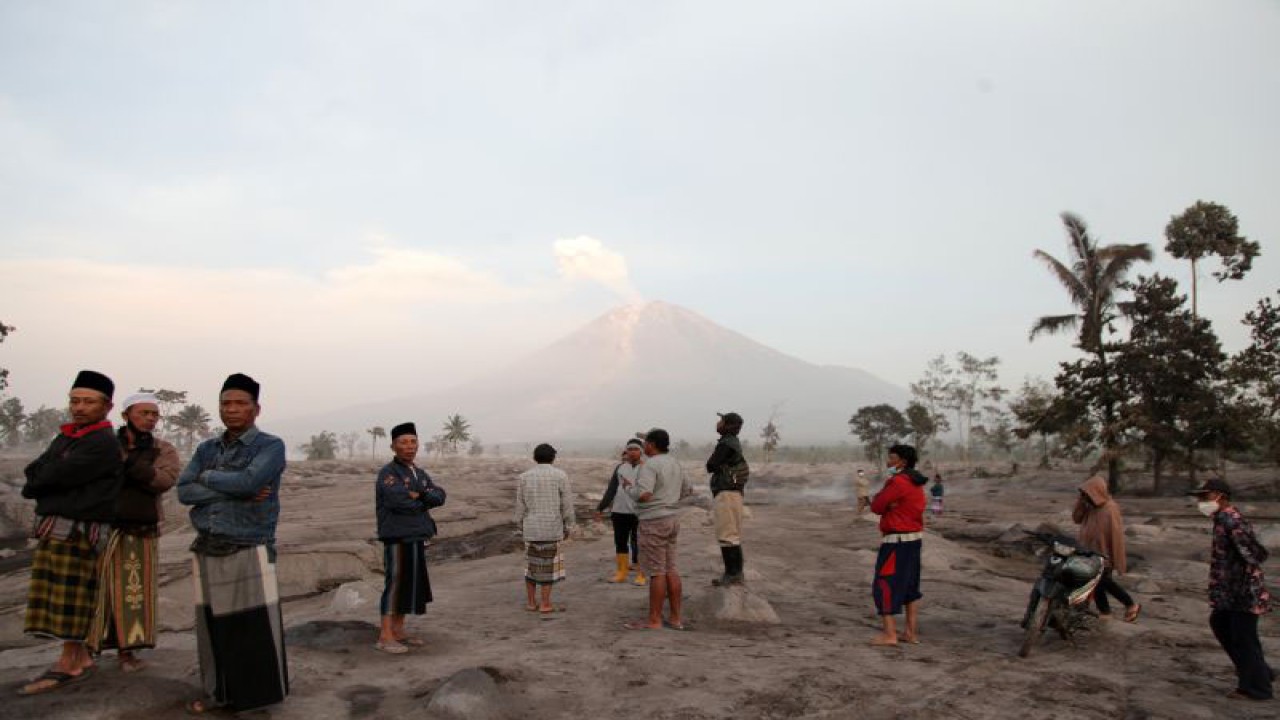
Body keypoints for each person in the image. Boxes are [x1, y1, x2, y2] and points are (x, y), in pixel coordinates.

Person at [176, 373, 288, 714]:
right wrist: (235, 485)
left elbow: (252, 480)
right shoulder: (206, 448)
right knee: (213, 628)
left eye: (241, 403)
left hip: (248, 543)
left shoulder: (270, 446)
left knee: (251, 628)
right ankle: (219, 693)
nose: (232, 409)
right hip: (209, 543)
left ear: (256, 409)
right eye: (226, 403)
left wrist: (207, 478)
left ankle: (255, 700)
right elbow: (183, 490)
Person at [17, 370, 123, 695]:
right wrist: (47, 483)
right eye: (74, 401)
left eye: (88, 402)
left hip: (79, 533)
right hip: (61, 528)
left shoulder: (102, 442)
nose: (79, 407)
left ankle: (69, 661)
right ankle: (79, 657)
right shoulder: (67, 437)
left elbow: (50, 477)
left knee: (71, 597)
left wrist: (46, 486)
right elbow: (34, 473)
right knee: (61, 595)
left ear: (107, 406)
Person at [86, 392, 180, 672]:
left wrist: (127, 465)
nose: (150, 419)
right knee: (97, 591)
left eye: (154, 414)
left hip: (140, 529)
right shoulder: (105, 445)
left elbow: (164, 480)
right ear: (126, 415)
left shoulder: (164, 449)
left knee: (133, 592)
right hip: (102, 527)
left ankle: (127, 652)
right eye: (144, 413)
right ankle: (89, 649)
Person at [1192, 478, 1273, 701]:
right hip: (1230, 593)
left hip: (1243, 592)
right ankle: (1260, 673)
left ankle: (1257, 688)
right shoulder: (1221, 519)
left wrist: (1241, 583)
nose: (1200, 501)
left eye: (1204, 496)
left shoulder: (1231, 521)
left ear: (1220, 496)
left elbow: (1256, 554)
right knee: (1220, 624)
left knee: (1244, 638)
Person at [374, 422, 447, 653]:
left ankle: (398, 631)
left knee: (410, 585)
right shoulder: (388, 473)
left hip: (417, 534)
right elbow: (399, 501)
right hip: (397, 536)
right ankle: (385, 636)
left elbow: (440, 495)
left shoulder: (419, 472)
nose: (409, 447)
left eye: (413, 441)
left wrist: (421, 494)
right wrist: (422, 498)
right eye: (403, 442)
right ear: (393, 446)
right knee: (395, 584)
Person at [624, 428, 692, 631]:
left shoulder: (650, 465)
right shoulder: (675, 463)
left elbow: (643, 494)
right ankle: (675, 618)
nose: (643, 446)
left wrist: (629, 488)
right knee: (670, 568)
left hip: (653, 520)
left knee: (656, 572)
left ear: (651, 445)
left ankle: (654, 620)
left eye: (645, 443)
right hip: (672, 518)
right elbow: (687, 490)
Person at [868, 444, 928, 647]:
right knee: (910, 587)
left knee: (884, 585)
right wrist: (890, 505)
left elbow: (876, 506)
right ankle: (910, 633)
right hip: (914, 541)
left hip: (896, 542)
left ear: (902, 461)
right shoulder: (916, 482)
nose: (888, 461)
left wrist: (887, 505)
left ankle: (890, 635)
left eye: (891, 457)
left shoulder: (898, 482)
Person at [515, 443, 575, 615]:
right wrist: (569, 524)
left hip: (531, 528)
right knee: (548, 566)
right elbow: (567, 504)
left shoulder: (524, 477)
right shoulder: (560, 475)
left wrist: (520, 524)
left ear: (535, 457)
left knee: (531, 566)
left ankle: (531, 602)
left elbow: (520, 506)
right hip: (552, 527)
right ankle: (545, 604)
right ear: (553, 458)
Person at [1072, 475, 1140, 622]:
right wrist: (1081, 501)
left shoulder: (1110, 508)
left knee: (1101, 582)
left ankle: (1130, 604)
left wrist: (1115, 559)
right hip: (1088, 554)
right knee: (1096, 584)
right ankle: (1106, 612)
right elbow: (1076, 518)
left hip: (1104, 556)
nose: (1087, 497)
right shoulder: (1089, 507)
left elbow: (1115, 536)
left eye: (1089, 493)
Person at [706, 411, 749, 586]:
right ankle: (735, 574)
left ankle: (732, 575)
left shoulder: (727, 443)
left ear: (728, 425)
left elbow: (711, 465)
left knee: (727, 535)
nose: (718, 423)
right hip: (733, 493)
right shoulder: (733, 442)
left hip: (726, 493)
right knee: (732, 534)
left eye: (721, 421)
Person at [596, 438, 646, 585]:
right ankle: (621, 572)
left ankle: (641, 574)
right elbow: (611, 489)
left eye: (635, 449)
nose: (632, 452)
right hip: (619, 511)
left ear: (641, 451)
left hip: (639, 512)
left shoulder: (647, 468)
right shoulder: (620, 468)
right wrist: (601, 507)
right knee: (620, 542)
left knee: (639, 543)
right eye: (629, 449)